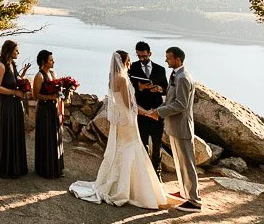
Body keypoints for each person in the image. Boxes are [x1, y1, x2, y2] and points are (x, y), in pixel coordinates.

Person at [69, 51, 166, 208]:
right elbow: (130, 105)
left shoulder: (113, 78)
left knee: (123, 149)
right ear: (123, 62)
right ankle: (127, 189)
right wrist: (147, 113)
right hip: (127, 120)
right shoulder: (122, 78)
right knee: (130, 149)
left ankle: (124, 185)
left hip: (122, 120)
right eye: (128, 61)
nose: (130, 64)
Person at [145, 46, 201, 212]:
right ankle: (185, 192)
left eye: (168, 58)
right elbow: (171, 99)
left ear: (177, 59)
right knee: (180, 162)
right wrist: (157, 110)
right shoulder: (176, 75)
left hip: (182, 126)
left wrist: (159, 112)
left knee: (187, 163)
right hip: (174, 126)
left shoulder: (183, 78)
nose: (166, 60)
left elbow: (181, 104)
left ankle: (194, 201)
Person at [0, 40, 29, 178]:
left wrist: (23, 75)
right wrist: (14, 93)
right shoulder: (1, 66)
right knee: (8, 134)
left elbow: (14, 81)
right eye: (16, 50)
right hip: (6, 105)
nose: (18, 52)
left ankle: (16, 167)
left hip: (15, 105)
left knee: (15, 133)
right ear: (9, 51)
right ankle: (6, 169)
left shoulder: (12, 64)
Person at [129, 41, 167, 174]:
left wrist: (159, 89)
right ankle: (144, 173)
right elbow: (129, 90)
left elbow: (166, 89)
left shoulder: (160, 69)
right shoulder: (132, 68)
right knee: (142, 143)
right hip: (141, 112)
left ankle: (157, 172)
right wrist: (140, 87)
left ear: (150, 53)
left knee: (157, 144)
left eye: (144, 56)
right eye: (139, 56)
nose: (142, 59)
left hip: (157, 111)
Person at [33, 49, 64, 178]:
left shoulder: (53, 73)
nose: (53, 61)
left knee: (55, 136)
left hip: (54, 109)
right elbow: (36, 95)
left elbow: (58, 91)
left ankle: (55, 167)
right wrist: (51, 97)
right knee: (46, 137)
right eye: (51, 60)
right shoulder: (39, 76)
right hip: (44, 110)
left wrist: (63, 94)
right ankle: (45, 169)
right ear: (44, 62)